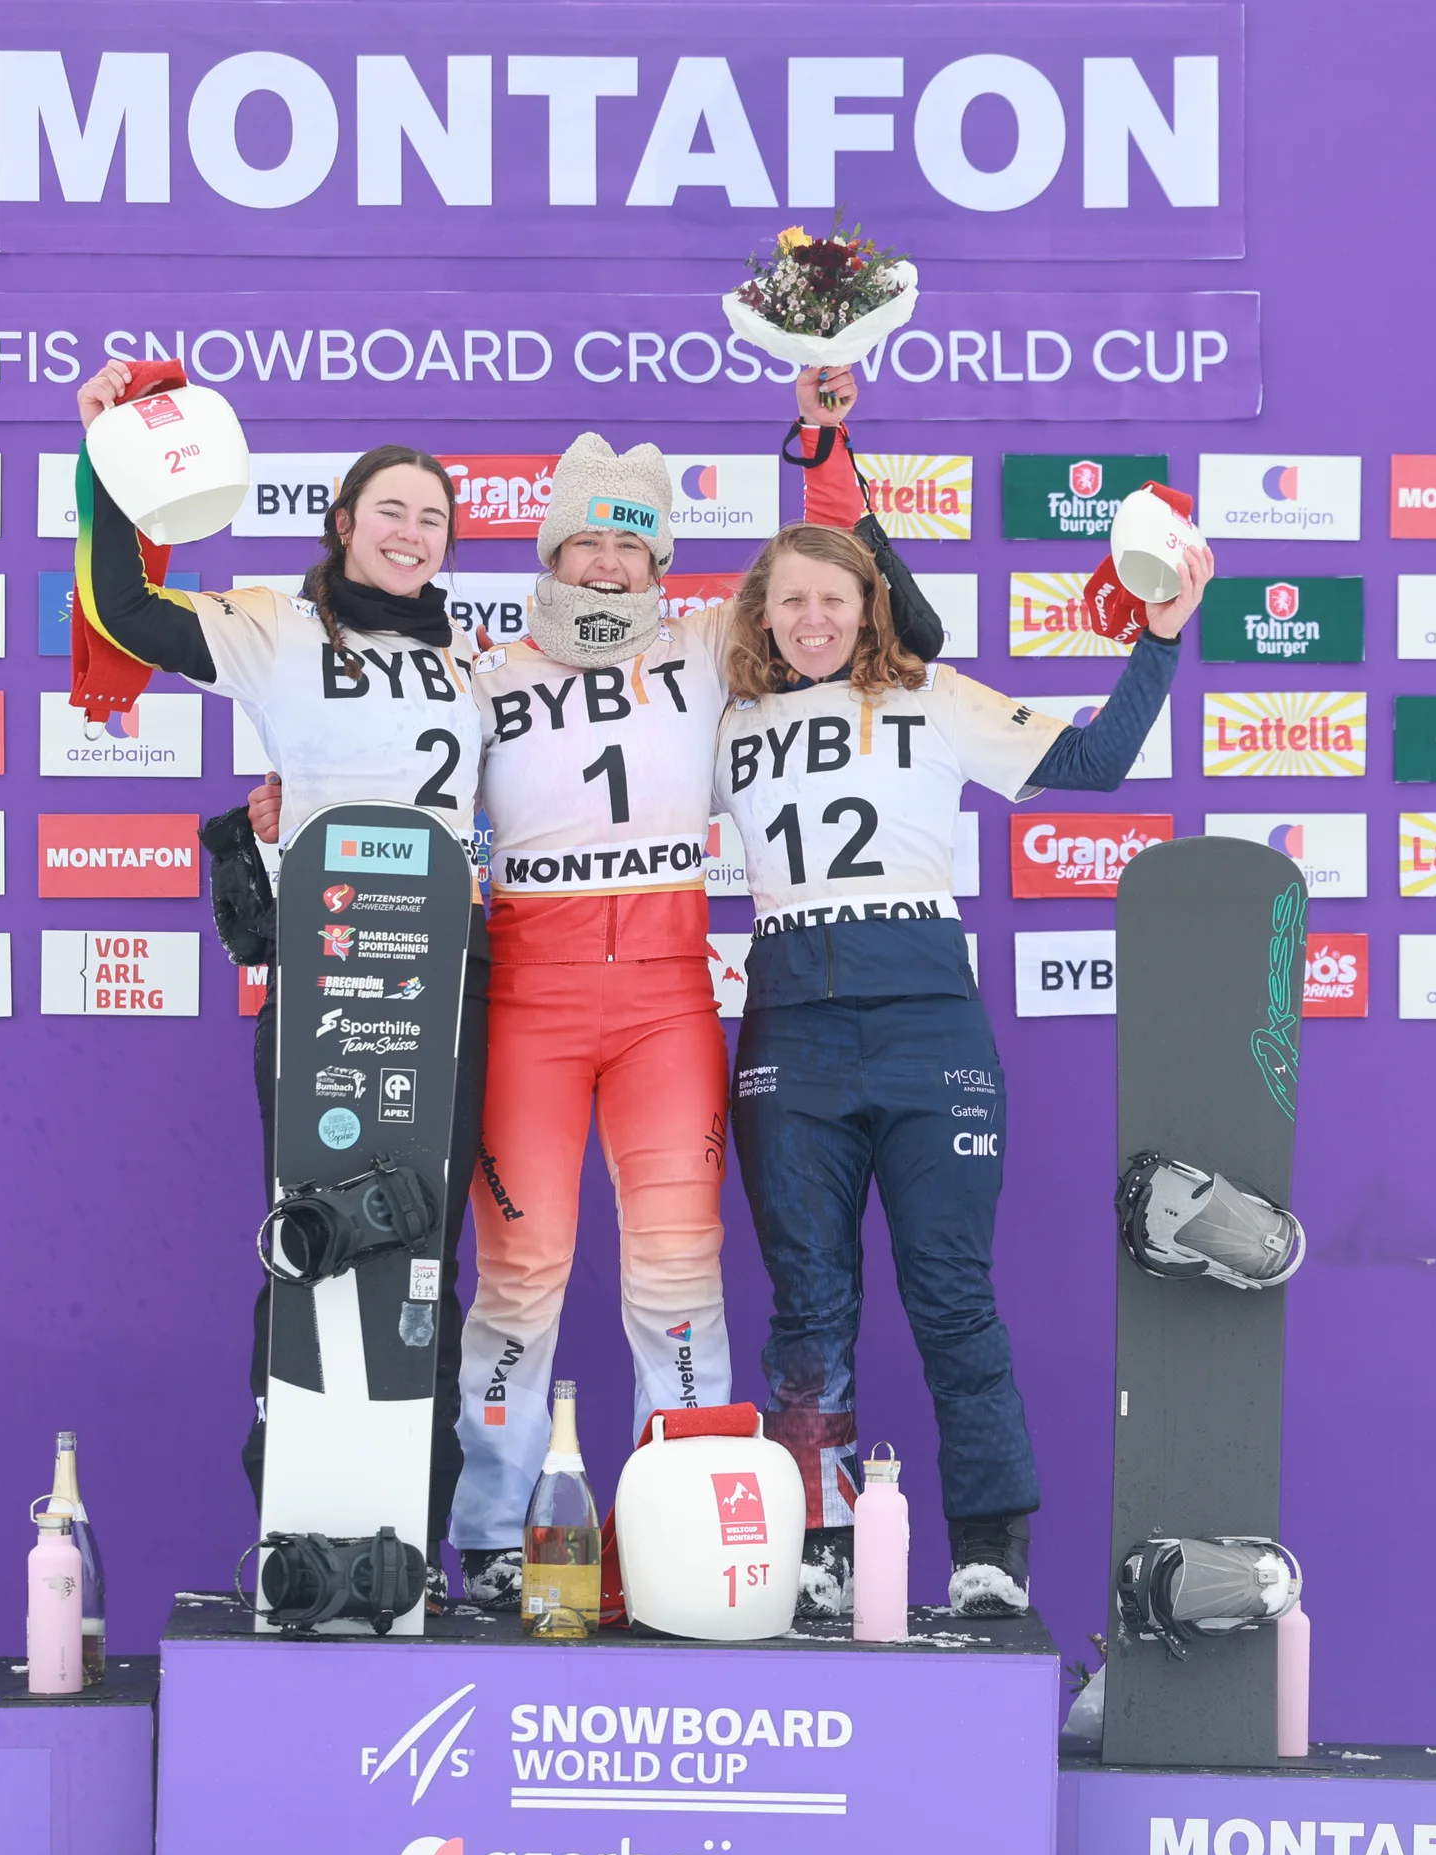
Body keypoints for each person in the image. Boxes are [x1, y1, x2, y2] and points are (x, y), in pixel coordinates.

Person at [256, 371, 950, 1613]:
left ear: (660, 561)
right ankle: (487, 1533)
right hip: (528, 990)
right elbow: (380, 769)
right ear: (551, 548)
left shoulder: (710, 642)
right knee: (524, 1270)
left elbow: (830, 583)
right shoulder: (479, 666)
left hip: (668, 997)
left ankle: (680, 1524)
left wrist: (829, 439)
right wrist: (276, 820)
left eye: (634, 545)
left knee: (677, 1267)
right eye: (589, 540)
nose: (613, 566)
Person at [713, 494, 1211, 1618]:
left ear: (869, 602)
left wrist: (1163, 635)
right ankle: (819, 1543)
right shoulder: (727, 720)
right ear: (762, 611)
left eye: (833, 598)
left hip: (926, 1018)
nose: (811, 618)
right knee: (808, 1306)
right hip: (791, 1019)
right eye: (790, 598)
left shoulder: (933, 698)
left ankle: (990, 1554)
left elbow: (1096, 764)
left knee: (950, 1296)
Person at [72, 357, 485, 1598]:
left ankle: (415, 1536)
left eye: (434, 517)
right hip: (327, 971)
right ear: (343, 525)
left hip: (447, 981)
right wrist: (108, 473)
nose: (412, 533)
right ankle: (292, 1530)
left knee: (429, 1262)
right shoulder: (274, 624)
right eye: (390, 511)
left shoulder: (475, 652)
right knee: (306, 1243)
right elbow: (122, 607)